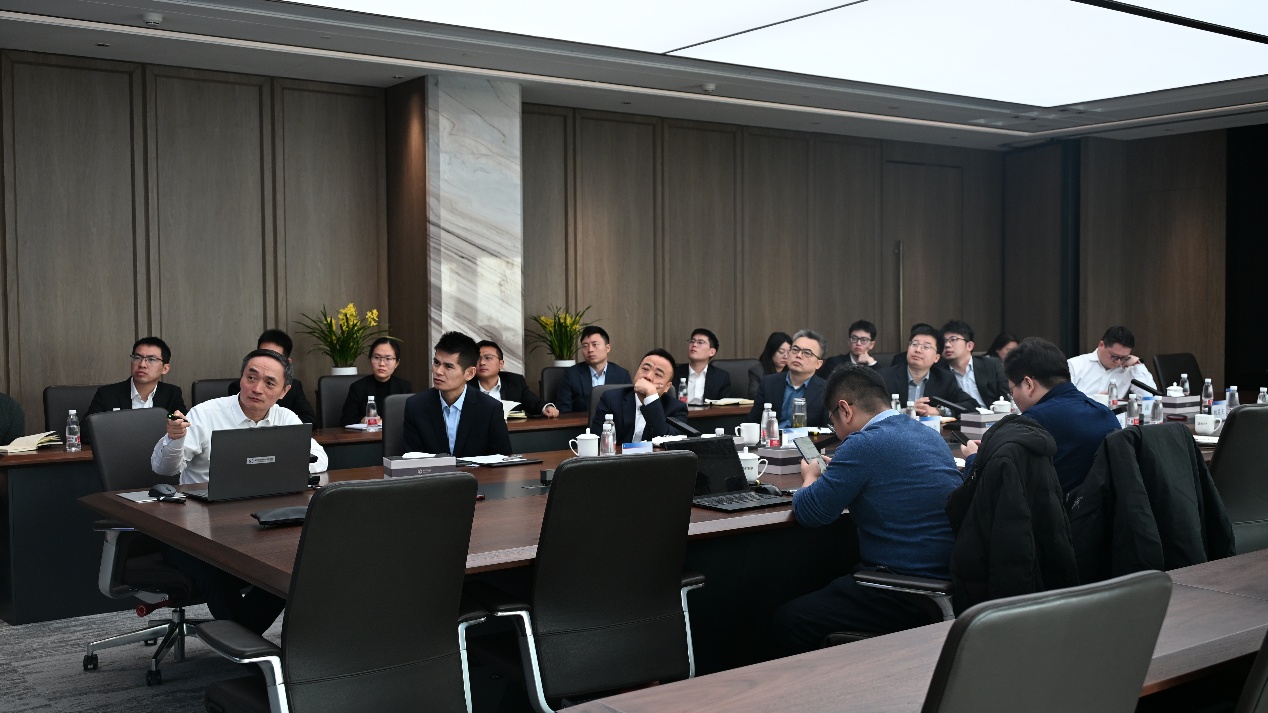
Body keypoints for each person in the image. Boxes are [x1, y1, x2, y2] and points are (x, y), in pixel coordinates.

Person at [772, 365, 962, 654]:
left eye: (833, 422)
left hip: (902, 590)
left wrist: (810, 477)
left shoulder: (864, 443)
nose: (837, 432)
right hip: (946, 579)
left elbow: (810, 512)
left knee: (788, 621)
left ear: (845, 409)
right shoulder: (927, 434)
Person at [151, 348, 328, 635]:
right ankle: (247, 643)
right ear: (241, 378)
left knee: (293, 564)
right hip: (197, 529)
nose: (257, 388)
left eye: (269, 383)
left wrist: (286, 459)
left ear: (284, 391)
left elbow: (321, 460)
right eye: (251, 377)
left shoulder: (286, 418)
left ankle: (243, 640)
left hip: (256, 524)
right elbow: (164, 469)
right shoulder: (207, 414)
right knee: (217, 572)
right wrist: (174, 439)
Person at [963, 337, 1121, 494]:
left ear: (1029, 384)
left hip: (1053, 509)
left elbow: (990, 488)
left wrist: (974, 458)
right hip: (1099, 507)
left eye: (1012, 391)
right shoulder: (1105, 413)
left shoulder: (1030, 423)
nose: (1014, 398)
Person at [402, 331, 512, 457]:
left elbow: (502, 458)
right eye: (436, 362)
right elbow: (412, 458)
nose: (438, 371)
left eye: (448, 366)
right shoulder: (415, 406)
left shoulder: (490, 408)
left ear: (470, 373)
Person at [84, 337, 187, 444]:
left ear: (165, 368)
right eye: (137, 358)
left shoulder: (171, 393)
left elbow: (183, 426)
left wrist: (176, 425)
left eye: (151, 359)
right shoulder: (107, 394)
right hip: (119, 452)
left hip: (158, 453)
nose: (142, 364)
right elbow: (85, 431)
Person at [878, 324, 977, 416]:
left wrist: (939, 411)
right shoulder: (885, 376)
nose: (918, 350)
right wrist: (906, 411)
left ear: (936, 358)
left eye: (926, 347)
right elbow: (872, 409)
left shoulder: (944, 379)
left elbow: (971, 405)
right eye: (914, 344)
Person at [591, 348, 687, 442]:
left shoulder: (676, 408)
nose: (648, 376)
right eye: (645, 369)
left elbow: (669, 443)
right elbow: (597, 442)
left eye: (658, 374)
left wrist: (651, 396)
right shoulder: (611, 399)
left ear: (667, 386)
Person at [228, 329, 316, 424]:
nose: (257, 389)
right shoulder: (238, 387)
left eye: (275, 357)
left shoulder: (294, 388)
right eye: (264, 354)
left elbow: (309, 420)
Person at [748, 329, 828, 428]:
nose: (798, 355)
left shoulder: (826, 391)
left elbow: (828, 430)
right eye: (795, 350)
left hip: (807, 438)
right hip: (772, 437)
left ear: (818, 364)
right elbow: (753, 422)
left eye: (807, 353)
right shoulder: (768, 383)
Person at [554, 326, 632, 413]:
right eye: (585, 346)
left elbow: (628, 409)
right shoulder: (571, 374)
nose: (590, 350)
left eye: (595, 345)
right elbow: (563, 410)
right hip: (581, 422)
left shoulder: (622, 375)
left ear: (607, 348)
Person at [1067, 326, 1158, 398]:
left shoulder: (1129, 368)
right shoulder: (1075, 365)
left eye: (1123, 357)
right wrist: (1095, 400)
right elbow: (1064, 399)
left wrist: (1138, 365)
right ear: (1101, 345)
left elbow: (1149, 398)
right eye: (1114, 356)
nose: (1118, 362)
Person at [475, 339, 559, 418]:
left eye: (488, 358)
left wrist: (547, 407)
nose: (482, 363)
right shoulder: (467, 385)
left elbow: (534, 403)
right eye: (477, 358)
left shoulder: (514, 381)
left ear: (501, 364)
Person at [340, 337, 412, 426]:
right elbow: (345, 421)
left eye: (388, 359)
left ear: (396, 363)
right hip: (367, 434)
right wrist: (362, 420)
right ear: (370, 360)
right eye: (377, 357)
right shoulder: (358, 387)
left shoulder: (404, 388)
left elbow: (411, 419)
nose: (381, 364)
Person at [936, 320, 1009, 408]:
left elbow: (1007, 397)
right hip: (959, 416)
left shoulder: (992, 365)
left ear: (969, 346)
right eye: (944, 341)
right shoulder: (939, 372)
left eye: (953, 339)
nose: (947, 345)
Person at [673, 328, 732, 404]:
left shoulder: (721, 377)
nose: (694, 345)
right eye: (692, 341)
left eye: (700, 342)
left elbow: (724, 407)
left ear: (712, 352)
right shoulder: (674, 373)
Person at [749, 331, 792, 398]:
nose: (786, 356)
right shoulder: (757, 371)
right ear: (771, 351)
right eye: (781, 352)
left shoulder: (792, 371)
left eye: (789, 352)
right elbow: (754, 396)